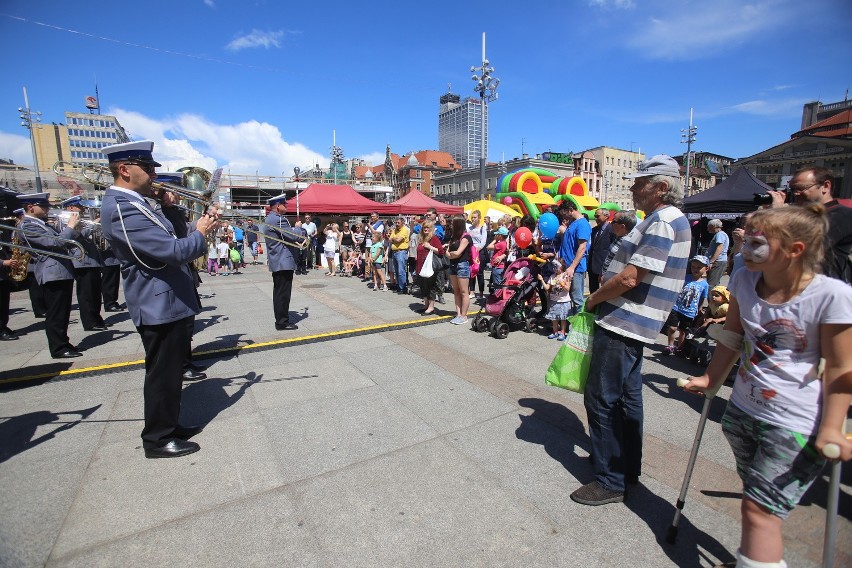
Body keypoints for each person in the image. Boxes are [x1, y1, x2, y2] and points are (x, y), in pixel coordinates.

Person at [682, 204, 852, 568]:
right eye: (747, 239)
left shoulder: (831, 296)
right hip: (742, 412)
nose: (746, 248)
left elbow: (841, 369)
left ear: (796, 250)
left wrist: (834, 429)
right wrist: (711, 378)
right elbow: (733, 335)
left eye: (758, 242)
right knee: (755, 502)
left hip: (793, 423)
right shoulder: (743, 280)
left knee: (760, 511)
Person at [572, 154, 692, 506]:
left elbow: (629, 277)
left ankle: (610, 479)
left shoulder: (663, 221)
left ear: (662, 187)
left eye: (640, 183)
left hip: (625, 320)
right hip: (635, 322)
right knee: (626, 399)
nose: (633, 187)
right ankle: (627, 468)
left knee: (601, 399)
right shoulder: (666, 219)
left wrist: (593, 298)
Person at [99, 140, 217, 458]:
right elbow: (172, 252)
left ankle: (169, 425)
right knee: (162, 375)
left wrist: (182, 214)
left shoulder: (138, 203)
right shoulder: (122, 207)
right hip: (157, 302)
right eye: (148, 169)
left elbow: (175, 236)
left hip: (167, 299)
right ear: (124, 170)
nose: (153, 175)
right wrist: (202, 233)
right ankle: (157, 438)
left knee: (170, 371)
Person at [18, 193, 85, 359]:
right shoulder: (27, 225)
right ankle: (58, 348)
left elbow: (65, 242)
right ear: (31, 206)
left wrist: (75, 228)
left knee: (63, 311)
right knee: (56, 313)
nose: (48, 208)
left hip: (60, 271)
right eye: (44, 206)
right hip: (51, 272)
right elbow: (55, 243)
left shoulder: (42, 223)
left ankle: (63, 342)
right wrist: (69, 227)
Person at [769, 166, 852, 284]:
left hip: (823, 291)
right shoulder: (800, 216)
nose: (796, 193)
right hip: (794, 286)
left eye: (801, 188)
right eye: (793, 189)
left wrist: (777, 214)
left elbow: (805, 247)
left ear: (826, 186)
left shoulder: (842, 214)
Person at [61, 196, 108, 331]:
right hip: (82, 260)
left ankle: (96, 319)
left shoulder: (80, 219)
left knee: (95, 293)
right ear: (70, 207)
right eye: (79, 206)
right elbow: (77, 235)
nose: (83, 209)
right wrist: (96, 222)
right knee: (86, 294)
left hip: (92, 260)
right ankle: (90, 322)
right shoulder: (66, 219)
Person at [264, 194, 299, 330]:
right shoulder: (278, 220)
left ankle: (281, 319)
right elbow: (294, 235)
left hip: (277, 261)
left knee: (279, 292)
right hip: (283, 261)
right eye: (285, 204)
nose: (287, 206)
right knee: (283, 294)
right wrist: (299, 228)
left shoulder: (271, 218)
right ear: (278, 206)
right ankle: (282, 322)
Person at [664, 255, 710, 356]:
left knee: (683, 331)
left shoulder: (705, 284)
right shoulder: (685, 277)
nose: (695, 269)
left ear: (706, 268)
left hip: (689, 311)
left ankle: (680, 348)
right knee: (672, 328)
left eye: (699, 267)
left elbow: (702, 298)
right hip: (677, 307)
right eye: (693, 266)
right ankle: (670, 345)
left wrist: (700, 308)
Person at [557, 201, 591, 316]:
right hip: (568, 266)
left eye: (565, 213)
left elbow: (582, 247)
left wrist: (572, 267)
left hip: (575, 268)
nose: (564, 217)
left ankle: (578, 328)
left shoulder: (582, 224)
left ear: (571, 209)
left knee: (577, 300)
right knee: (568, 298)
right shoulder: (573, 223)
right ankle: (567, 326)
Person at [444, 215, 472, 325]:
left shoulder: (466, 237)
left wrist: (450, 254)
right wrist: (450, 254)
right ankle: (458, 314)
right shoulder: (453, 237)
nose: (451, 225)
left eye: (453, 223)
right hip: (453, 265)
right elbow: (449, 252)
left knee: (464, 292)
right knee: (456, 291)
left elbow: (457, 253)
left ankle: (464, 316)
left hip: (462, 265)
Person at [415, 220, 444, 315]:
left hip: (430, 267)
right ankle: (426, 304)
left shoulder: (434, 238)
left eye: (428, 228)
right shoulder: (421, 238)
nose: (426, 229)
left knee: (431, 286)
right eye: (424, 228)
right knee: (423, 286)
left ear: (431, 229)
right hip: (420, 266)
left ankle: (431, 307)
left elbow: (441, 252)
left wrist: (430, 246)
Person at [538, 259, 571, 341]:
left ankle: (562, 332)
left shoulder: (565, 275)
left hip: (564, 301)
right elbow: (547, 288)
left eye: (556, 267)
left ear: (562, 267)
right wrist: (541, 279)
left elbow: (567, 289)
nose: (555, 269)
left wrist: (562, 283)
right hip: (554, 301)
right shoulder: (552, 276)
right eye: (553, 267)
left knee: (563, 319)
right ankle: (555, 331)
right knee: (554, 318)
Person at [600, 210, 637, 277]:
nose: (611, 223)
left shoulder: (627, 243)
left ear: (622, 226)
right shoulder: (618, 237)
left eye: (614, 221)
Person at [588, 208, 614, 294]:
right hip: (592, 266)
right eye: (595, 216)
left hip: (604, 267)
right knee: (593, 291)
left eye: (598, 216)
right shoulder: (594, 230)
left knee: (605, 292)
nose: (596, 218)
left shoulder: (612, 230)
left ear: (606, 216)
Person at [466, 210, 488, 299]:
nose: (473, 219)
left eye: (475, 217)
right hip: (471, 252)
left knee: (479, 273)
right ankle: (472, 291)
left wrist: (476, 250)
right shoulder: (469, 228)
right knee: (471, 272)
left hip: (479, 252)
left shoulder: (482, 228)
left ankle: (481, 292)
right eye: (472, 217)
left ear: (479, 218)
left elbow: (483, 242)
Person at [705, 219, 729, 288]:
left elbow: (719, 248)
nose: (707, 229)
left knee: (711, 285)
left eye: (708, 227)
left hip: (718, 262)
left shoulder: (720, 234)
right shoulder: (720, 234)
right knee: (713, 283)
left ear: (713, 226)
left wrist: (712, 261)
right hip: (718, 261)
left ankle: (711, 298)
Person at [389, 216, 410, 294]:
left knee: (401, 270)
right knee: (397, 271)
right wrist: (395, 239)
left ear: (402, 223)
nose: (397, 224)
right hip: (394, 251)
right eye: (396, 223)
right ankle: (399, 286)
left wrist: (394, 239)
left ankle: (403, 287)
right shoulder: (395, 230)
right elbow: (389, 239)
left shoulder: (405, 230)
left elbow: (398, 240)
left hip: (401, 251)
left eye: (398, 223)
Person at [488, 226, 509, 292]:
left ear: (500, 236)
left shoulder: (501, 244)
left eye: (497, 234)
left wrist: (495, 240)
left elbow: (488, 247)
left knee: (497, 285)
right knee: (498, 283)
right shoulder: (504, 243)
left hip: (497, 267)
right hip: (499, 266)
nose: (496, 235)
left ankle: (498, 298)